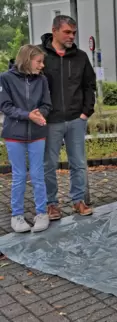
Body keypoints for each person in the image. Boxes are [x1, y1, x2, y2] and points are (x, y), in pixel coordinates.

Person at [40, 15, 96, 219]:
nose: (72, 36)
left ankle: (78, 200)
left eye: (74, 32)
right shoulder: (40, 55)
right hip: (50, 121)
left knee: (78, 162)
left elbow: (89, 85)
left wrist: (85, 112)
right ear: (54, 30)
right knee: (48, 164)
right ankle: (51, 204)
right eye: (67, 32)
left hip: (75, 119)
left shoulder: (81, 57)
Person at [0, 45, 52, 233]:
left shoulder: (42, 80)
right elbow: (5, 106)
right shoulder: (5, 79)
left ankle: (41, 213)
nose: (42, 65)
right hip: (14, 135)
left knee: (38, 175)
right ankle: (17, 216)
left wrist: (40, 113)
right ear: (27, 60)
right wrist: (27, 115)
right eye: (38, 61)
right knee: (19, 176)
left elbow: (47, 104)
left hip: (37, 134)